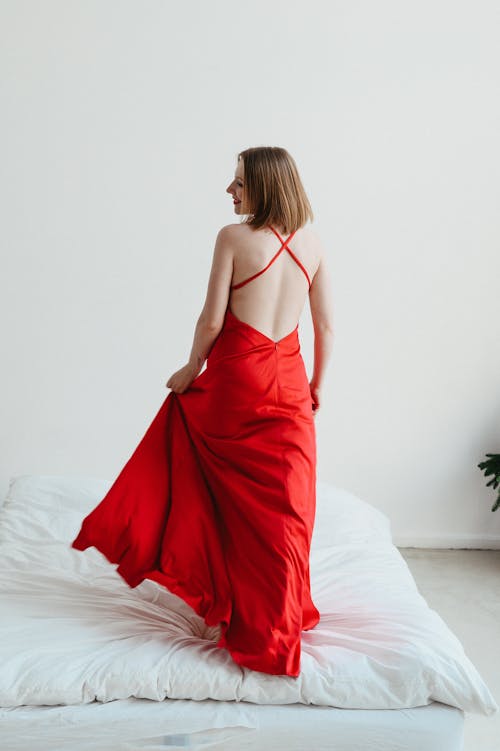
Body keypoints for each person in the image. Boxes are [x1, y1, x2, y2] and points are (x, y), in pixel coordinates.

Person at [71, 146, 334, 677]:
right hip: (289, 387)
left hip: (238, 383)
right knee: (285, 507)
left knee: (211, 485)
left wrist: (191, 368)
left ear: (265, 186)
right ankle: (283, 612)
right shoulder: (313, 242)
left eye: (239, 182)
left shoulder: (233, 239)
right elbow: (326, 326)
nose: (230, 191)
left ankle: (220, 595)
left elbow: (212, 320)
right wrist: (315, 387)